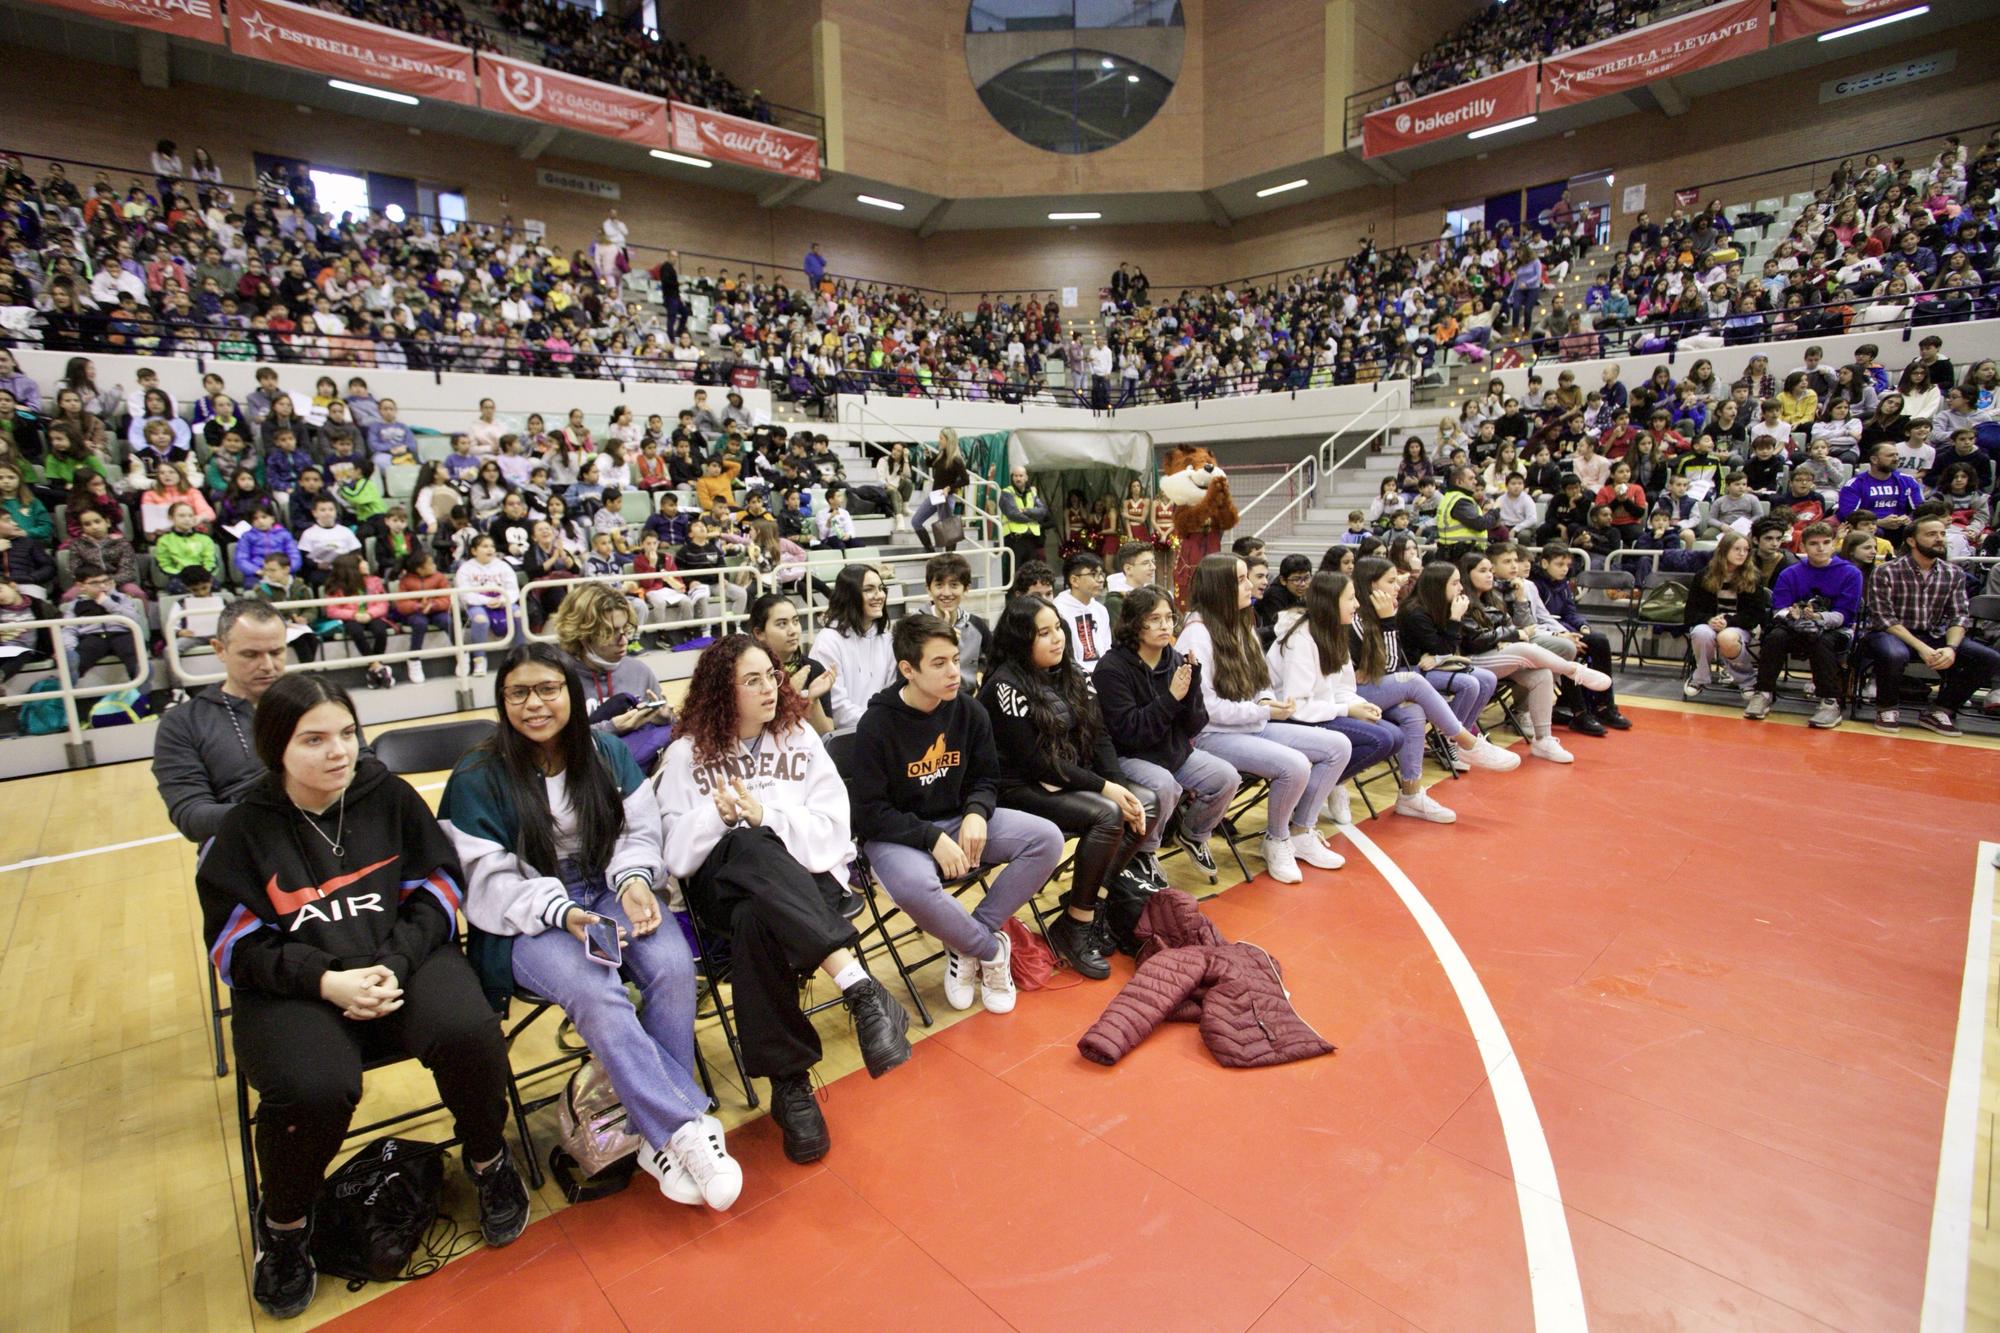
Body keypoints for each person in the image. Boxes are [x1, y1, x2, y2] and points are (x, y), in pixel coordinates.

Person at [198, 674, 526, 1319]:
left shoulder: (387, 795)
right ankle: (287, 1225)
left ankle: (488, 1157)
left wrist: (396, 963)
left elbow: (438, 890)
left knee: (469, 1029)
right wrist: (326, 980)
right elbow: (234, 947)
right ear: (276, 748)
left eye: (346, 734)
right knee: (314, 1086)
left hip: (398, 959)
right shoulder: (243, 830)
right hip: (299, 987)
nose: (339, 752)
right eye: (314, 739)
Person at [439, 645, 741, 1210]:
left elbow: (638, 831)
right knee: (596, 992)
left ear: (571, 696)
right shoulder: (477, 775)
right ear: (502, 703)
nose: (535, 704)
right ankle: (681, 1129)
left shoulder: (602, 751)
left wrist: (630, 880)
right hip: (526, 913)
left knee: (674, 969)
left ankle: (656, 1137)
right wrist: (561, 912)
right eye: (519, 693)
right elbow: (486, 881)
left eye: (548, 689)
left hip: (607, 884)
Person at [655, 635, 911, 1165]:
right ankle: (858, 984)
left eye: (771, 675)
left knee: (758, 915)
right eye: (752, 681)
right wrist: (721, 817)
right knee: (746, 845)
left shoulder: (798, 736)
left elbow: (836, 830)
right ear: (721, 692)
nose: (770, 688)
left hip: (806, 879)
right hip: (719, 888)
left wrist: (766, 817)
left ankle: (790, 1086)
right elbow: (675, 860)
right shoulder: (685, 756)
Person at [847, 615, 1064, 994]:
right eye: (939, 663)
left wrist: (978, 812)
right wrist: (930, 837)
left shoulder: (969, 710)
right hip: (898, 834)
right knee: (916, 887)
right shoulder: (876, 725)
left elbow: (986, 778)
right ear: (907, 670)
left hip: (958, 820)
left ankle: (965, 939)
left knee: (1047, 839)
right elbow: (868, 813)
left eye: (954, 658)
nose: (954, 671)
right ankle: (987, 949)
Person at [981, 597, 1159, 976]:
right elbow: (1034, 762)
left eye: (1057, 628)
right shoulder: (1003, 687)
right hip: (1018, 787)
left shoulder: (1070, 672)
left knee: (1147, 802)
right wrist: (1105, 789)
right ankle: (1075, 925)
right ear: (1020, 640)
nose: (1056, 639)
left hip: (1066, 779)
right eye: (1043, 633)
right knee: (1107, 814)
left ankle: (1094, 903)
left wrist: (1121, 786)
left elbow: (1099, 738)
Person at [1174, 554, 1348, 885]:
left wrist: (1267, 700)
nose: (1251, 584)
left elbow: (1260, 680)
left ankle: (1300, 832)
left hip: (1252, 724)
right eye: (1240, 580)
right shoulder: (1196, 635)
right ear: (1220, 587)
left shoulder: (1242, 624)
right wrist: (1262, 710)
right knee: (1295, 766)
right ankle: (1277, 839)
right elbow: (1206, 709)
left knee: (1338, 746)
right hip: (1212, 734)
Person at [155, 600, 354, 843]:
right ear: (219, 649)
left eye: (277, 652)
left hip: (335, 829)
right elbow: (191, 815)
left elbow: (365, 768)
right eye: (251, 654)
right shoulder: (183, 723)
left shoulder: (321, 701)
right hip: (248, 843)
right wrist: (285, 814)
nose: (268, 666)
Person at [1096, 587, 1242, 882]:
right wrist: (1171, 698)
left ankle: (1192, 834)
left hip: (1171, 752)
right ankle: (1144, 852)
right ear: (1134, 623)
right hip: (1129, 756)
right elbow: (1130, 732)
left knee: (1227, 777)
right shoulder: (1111, 668)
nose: (1165, 625)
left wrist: (1193, 684)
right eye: (1154, 618)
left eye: (1169, 618)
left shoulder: (1175, 660)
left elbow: (1194, 726)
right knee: (1165, 786)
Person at [1352, 555, 1521, 789]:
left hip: (1392, 678)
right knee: (1457, 683)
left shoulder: (1392, 609)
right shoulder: (1374, 615)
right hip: (1374, 685)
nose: (1398, 586)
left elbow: (1437, 651)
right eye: (1391, 582)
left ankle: (1411, 794)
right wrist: (1390, 623)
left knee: (1414, 712)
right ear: (1372, 585)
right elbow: (1392, 665)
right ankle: (1463, 742)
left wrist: (1440, 652)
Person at [1266, 572, 1404, 822]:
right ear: (1330, 602)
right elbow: (1298, 706)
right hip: (1292, 717)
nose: (1357, 605)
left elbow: (1343, 687)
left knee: (1395, 737)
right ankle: (1308, 799)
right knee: (1380, 739)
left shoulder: (1334, 631)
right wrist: (1346, 711)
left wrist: (1359, 704)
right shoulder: (1301, 638)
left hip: (1324, 710)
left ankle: (1321, 787)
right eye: (1351, 599)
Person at [1860, 514, 2000, 734]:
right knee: (1894, 653)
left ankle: (1941, 709)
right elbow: (1884, 618)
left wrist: (1951, 648)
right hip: (1891, 633)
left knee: (1988, 658)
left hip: (1935, 634)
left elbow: (1959, 616)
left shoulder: (1953, 573)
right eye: (1931, 534)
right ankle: (1886, 707)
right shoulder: (1886, 570)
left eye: (1942, 534)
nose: (1940, 539)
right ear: (1912, 541)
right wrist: (1922, 648)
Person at [1744, 522, 1861, 729]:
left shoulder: (1850, 573)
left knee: (1821, 640)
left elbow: (1845, 614)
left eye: (1826, 543)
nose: (1821, 548)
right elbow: (1779, 608)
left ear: (1834, 544)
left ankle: (1830, 702)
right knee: (1775, 636)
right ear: (1804, 547)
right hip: (1794, 625)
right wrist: (1794, 617)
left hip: (1835, 629)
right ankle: (1763, 693)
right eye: (1814, 544)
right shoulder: (1790, 573)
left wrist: (1817, 618)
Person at [807, 564, 896, 734]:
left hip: (882, 732)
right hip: (846, 738)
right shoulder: (828, 641)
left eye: (881, 588)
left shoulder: (887, 638)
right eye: (869, 589)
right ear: (849, 595)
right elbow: (837, 708)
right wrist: (878, 724)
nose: (879, 596)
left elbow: (890, 693)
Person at [1683, 531, 1769, 700]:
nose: (1742, 553)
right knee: (1701, 633)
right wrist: (1709, 620)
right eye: (1737, 549)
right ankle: (1700, 677)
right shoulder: (1704, 575)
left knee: (1726, 637)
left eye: (1746, 549)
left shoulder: (1754, 577)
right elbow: (1691, 612)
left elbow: (1755, 616)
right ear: (1724, 550)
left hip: (1740, 626)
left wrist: (1727, 621)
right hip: (1709, 623)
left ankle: (1746, 680)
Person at [748, 592, 837, 735]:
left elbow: (826, 734)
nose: (793, 630)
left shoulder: (813, 668)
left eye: (795, 621)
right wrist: (790, 690)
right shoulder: (749, 673)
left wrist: (811, 700)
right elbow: (751, 731)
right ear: (759, 633)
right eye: (782, 624)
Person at [922, 552, 990, 691]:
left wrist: (980, 674)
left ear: (966, 589)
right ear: (929, 589)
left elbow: (994, 660)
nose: (946, 593)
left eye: (954, 585)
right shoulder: (914, 626)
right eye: (939, 585)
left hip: (969, 702)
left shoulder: (977, 625)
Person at [1053, 551, 1113, 674]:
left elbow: (1107, 649)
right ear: (1074, 580)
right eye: (1093, 574)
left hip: (1103, 674)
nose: (1101, 580)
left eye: (1102, 574)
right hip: (1072, 675)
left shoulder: (1100, 610)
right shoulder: (1058, 610)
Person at [997, 465, 1048, 574]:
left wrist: (1026, 511)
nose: (1018, 478)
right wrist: (1033, 517)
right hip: (1014, 539)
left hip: (1031, 540)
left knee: (1030, 573)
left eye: (1021, 476)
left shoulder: (1032, 493)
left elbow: (1043, 511)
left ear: (1026, 477)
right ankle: (1013, 592)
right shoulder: (1007, 492)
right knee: (1014, 573)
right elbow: (1013, 514)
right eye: (1015, 476)